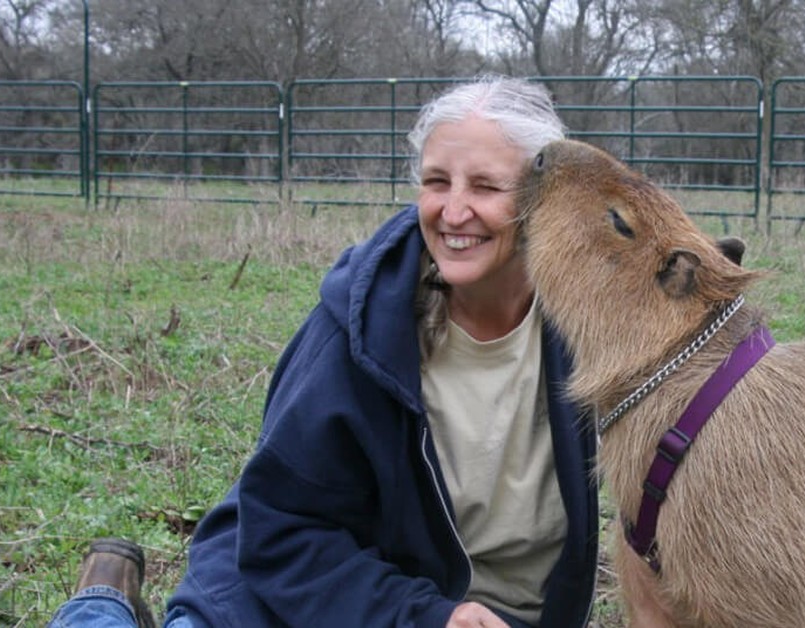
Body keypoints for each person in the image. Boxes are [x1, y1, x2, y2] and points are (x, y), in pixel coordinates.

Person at [48, 75, 600, 628]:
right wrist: (429, 618)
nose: (454, 212)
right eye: (437, 182)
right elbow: (281, 532)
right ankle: (102, 604)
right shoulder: (357, 330)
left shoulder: (592, 325)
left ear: (541, 199)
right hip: (312, 605)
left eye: (484, 187)